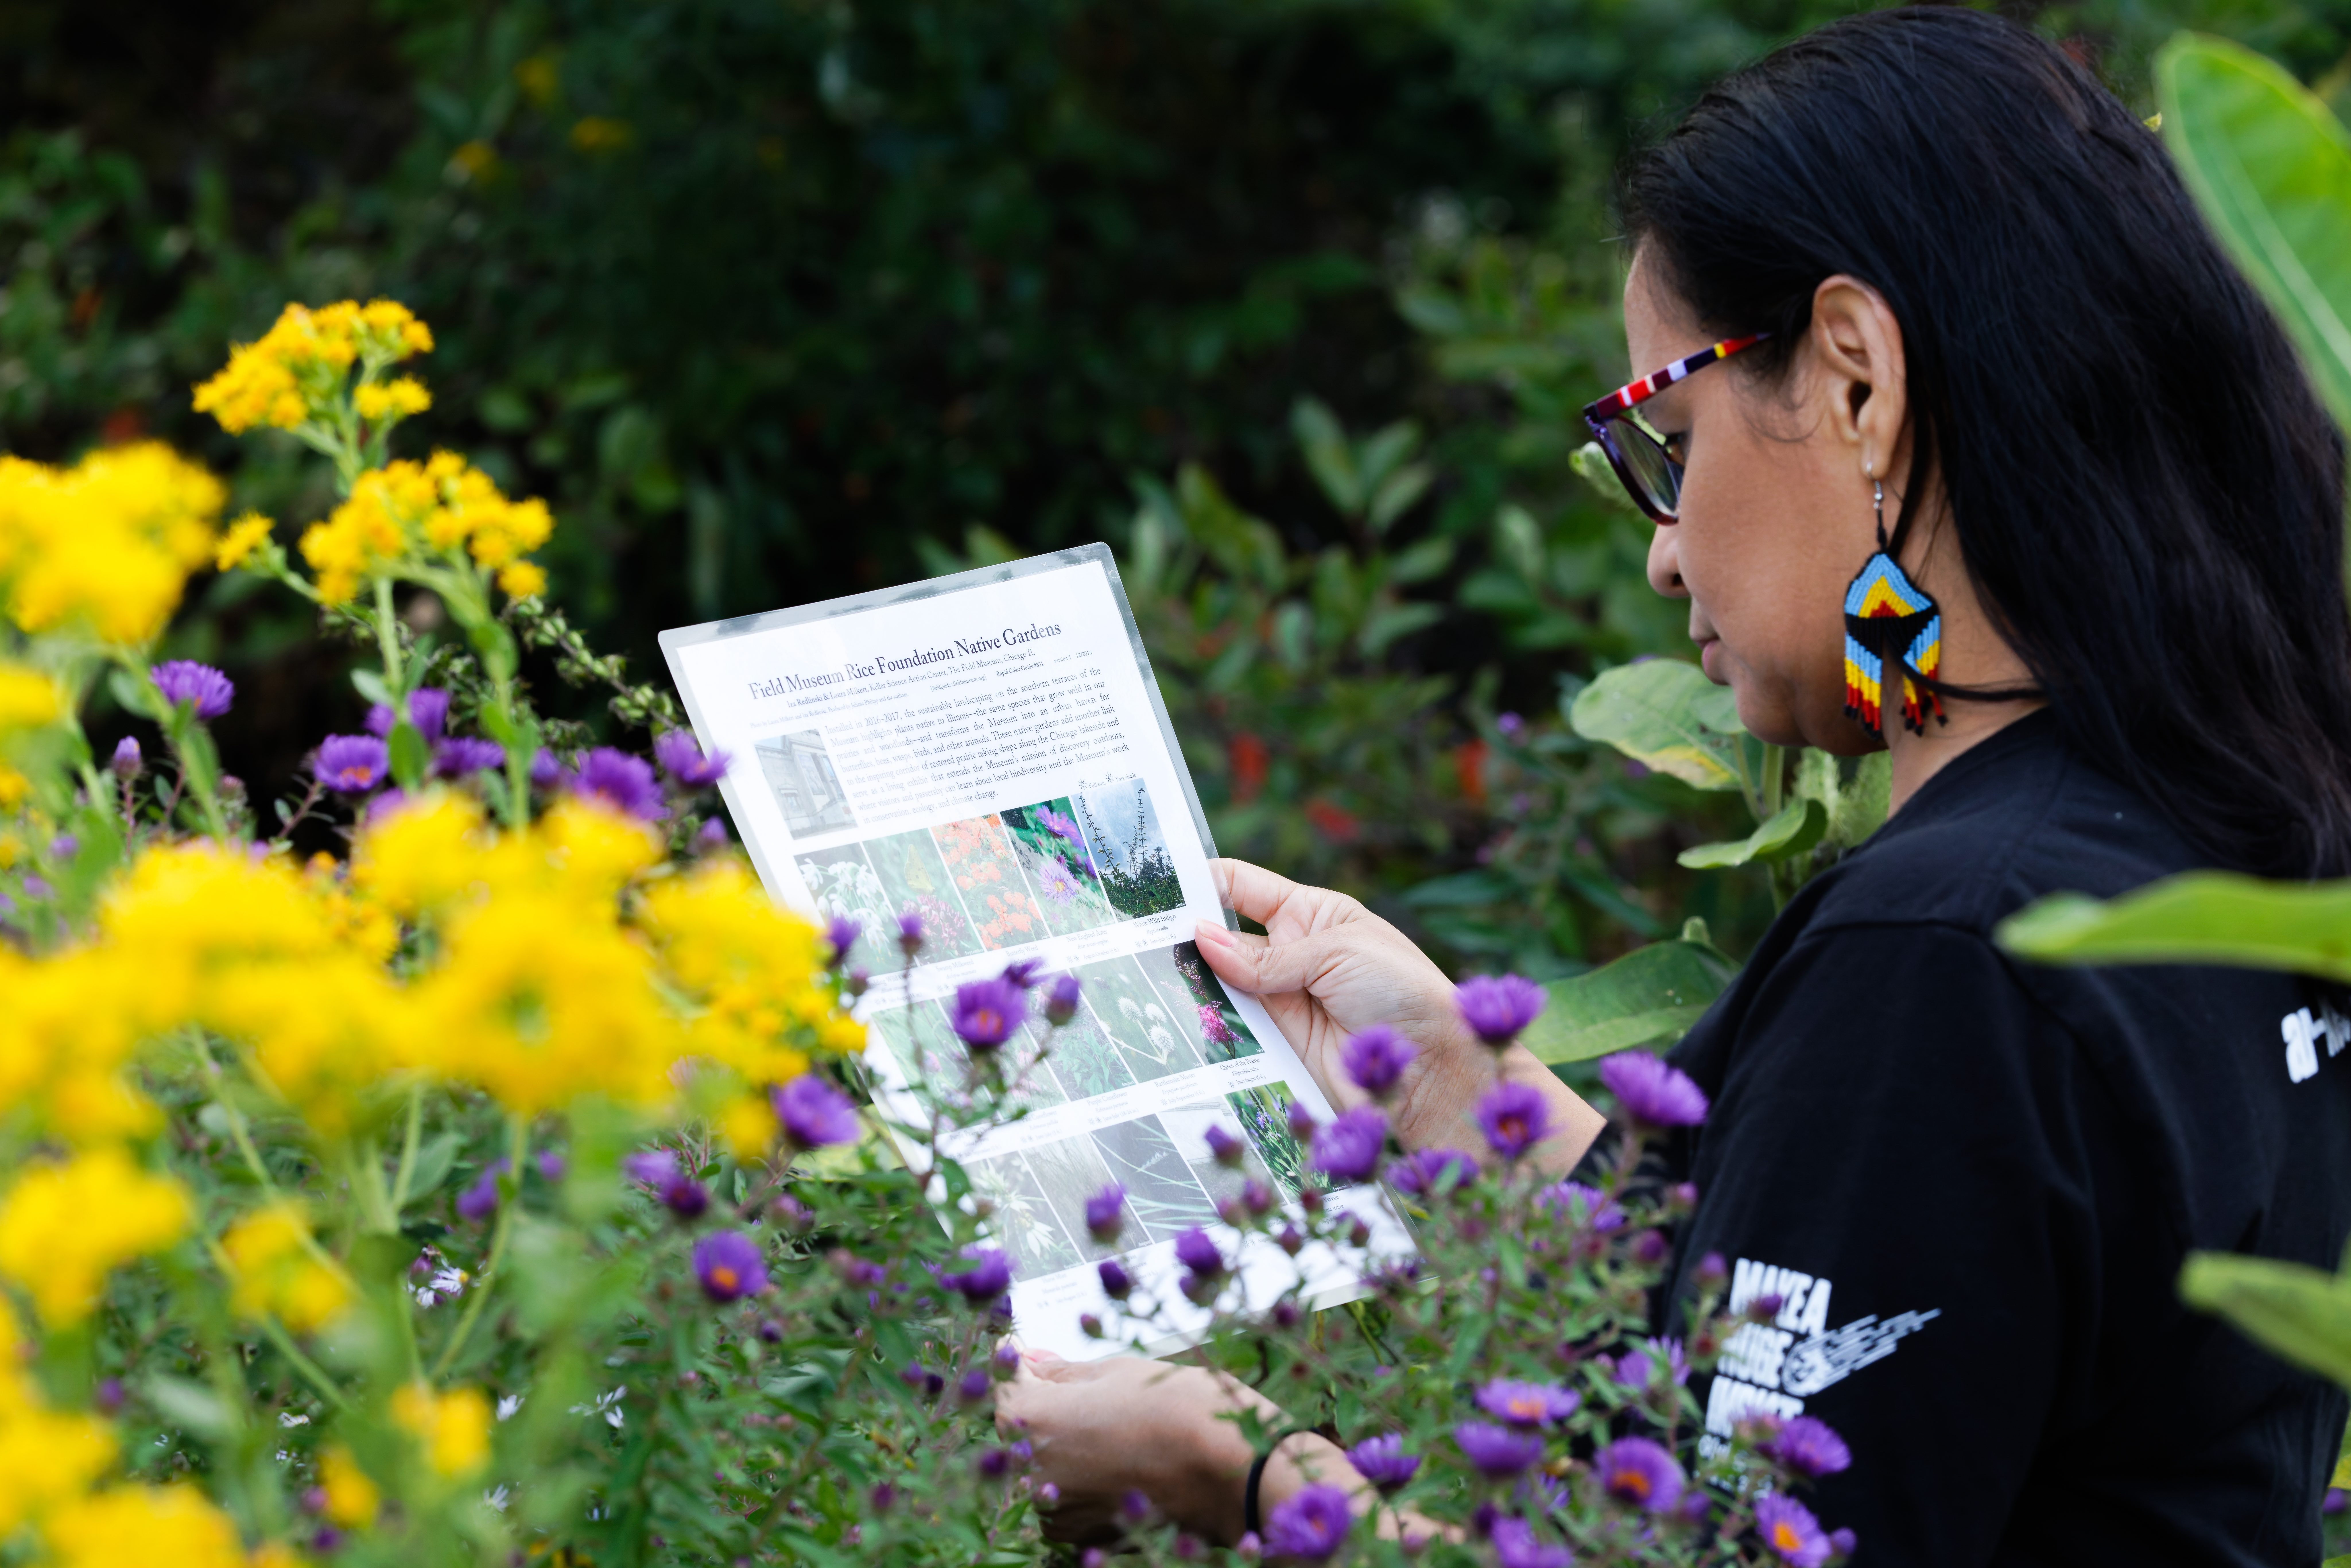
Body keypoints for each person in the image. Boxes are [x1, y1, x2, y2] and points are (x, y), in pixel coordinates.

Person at [997, 8, 2351, 1561]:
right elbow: (1841, 1310)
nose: (1659, 547)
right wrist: (1451, 1078)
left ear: (1855, 382)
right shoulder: (2210, 835)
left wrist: (1227, 1468)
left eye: (1673, 435)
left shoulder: (1951, 952)